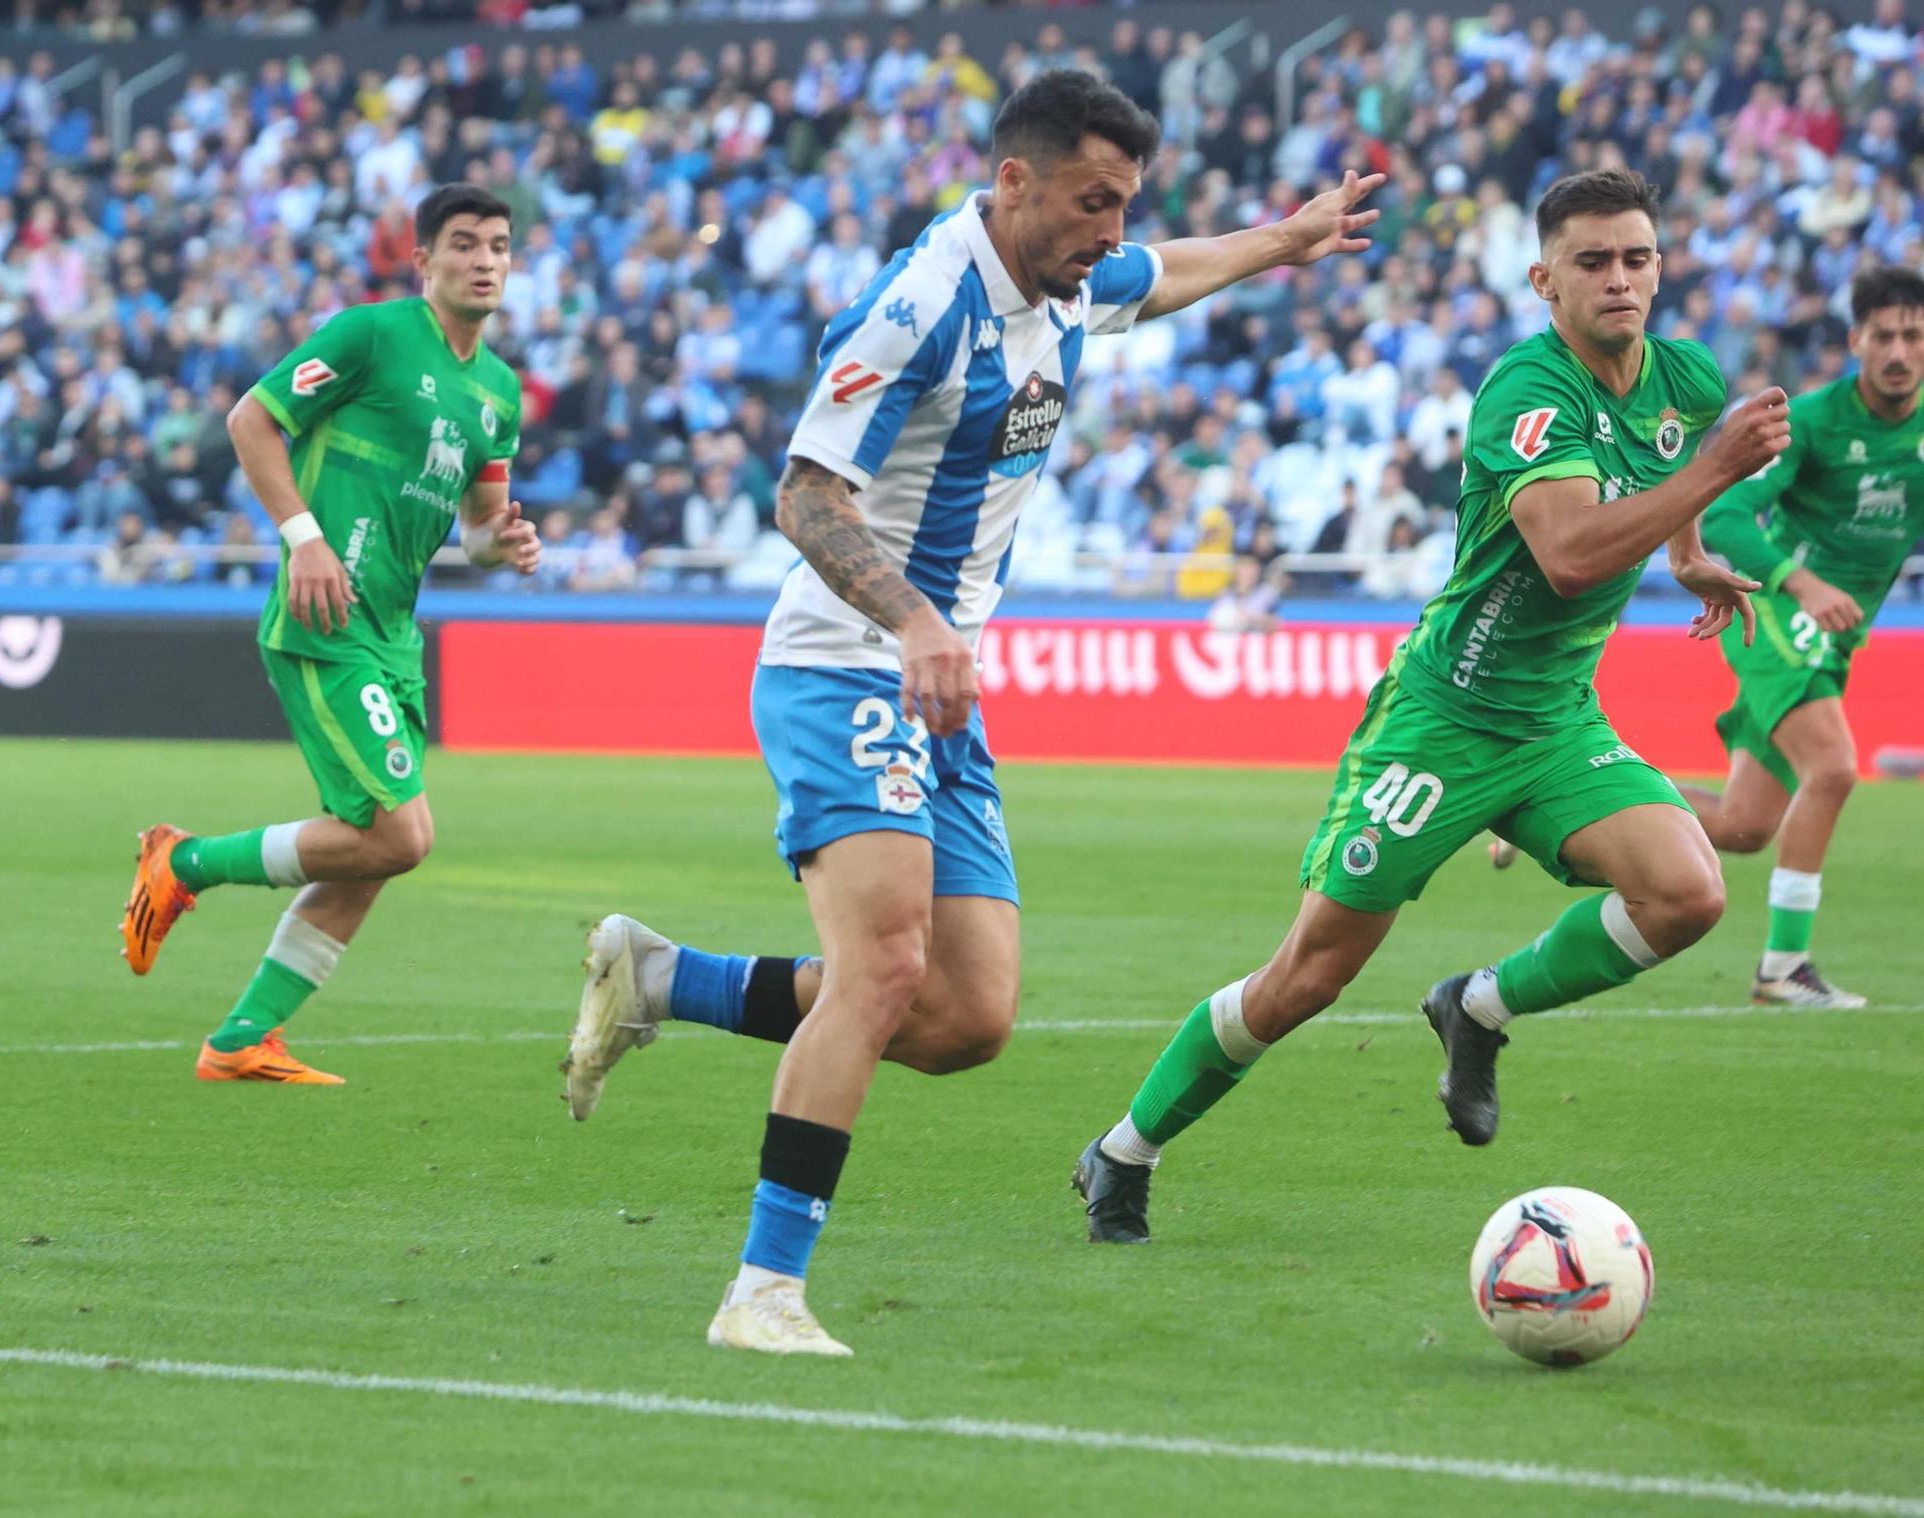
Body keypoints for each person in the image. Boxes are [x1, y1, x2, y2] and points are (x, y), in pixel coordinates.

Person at [557, 69, 1382, 1356]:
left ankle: (664, 978)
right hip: (848, 662)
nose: (1108, 231)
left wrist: (1289, 236)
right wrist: (919, 624)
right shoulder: (922, 304)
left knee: (963, 1019)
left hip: (937, 685)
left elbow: (1161, 272)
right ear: (1012, 183)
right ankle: (762, 1292)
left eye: (1121, 205)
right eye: (1089, 202)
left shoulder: (1061, 281)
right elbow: (805, 496)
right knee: (884, 966)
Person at [1071, 168, 1790, 1244]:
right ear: (1542, 279)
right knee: (1305, 977)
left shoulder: (1682, 377)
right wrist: (1713, 478)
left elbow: (1675, 460)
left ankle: (1476, 1007)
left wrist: (1689, 556)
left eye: (1635, 257)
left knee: (1687, 892)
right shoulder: (1524, 393)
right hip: (1442, 719)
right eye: (1591, 261)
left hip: (1551, 723)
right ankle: (1121, 1152)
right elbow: (1567, 558)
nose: (1618, 279)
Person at [120, 185, 537, 1085]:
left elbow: (476, 525)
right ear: (423, 260)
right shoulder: (371, 335)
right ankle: (184, 861)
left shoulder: (499, 393)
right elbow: (251, 419)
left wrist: (501, 545)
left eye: (498, 245)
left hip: (393, 633)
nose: (484, 260)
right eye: (463, 244)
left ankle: (241, 1039)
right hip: (326, 618)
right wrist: (302, 538)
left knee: (372, 852)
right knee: (401, 835)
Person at [1679, 267, 1924, 1007]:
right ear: (1855, 342)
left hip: (1836, 639)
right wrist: (1802, 582)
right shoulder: (1812, 422)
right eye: (1883, 335)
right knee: (1837, 767)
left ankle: (1569, 802)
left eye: (1912, 335)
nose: (1899, 351)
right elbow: (1721, 517)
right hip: (1778, 615)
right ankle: (1783, 967)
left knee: (1745, 824)